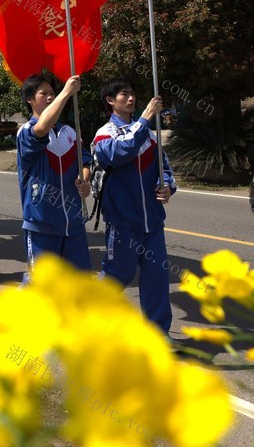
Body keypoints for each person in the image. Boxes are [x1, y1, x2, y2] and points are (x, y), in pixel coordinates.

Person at [92, 77, 176, 334]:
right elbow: (120, 153)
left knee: (157, 279)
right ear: (110, 101)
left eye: (132, 94)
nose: (131, 99)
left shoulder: (149, 136)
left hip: (152, 222)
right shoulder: (105, 134)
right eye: (123, 94)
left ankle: (158, 335)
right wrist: (145, 118)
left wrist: (167, 186)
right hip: (122, 222)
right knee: (117, 276)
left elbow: (164, 168)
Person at [17, 73, 92, 275]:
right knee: (43, 287)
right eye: (44, 93)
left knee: (80, 284)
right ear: (30, 99)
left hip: (73, 221)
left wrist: (84, 178)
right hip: (41, 222)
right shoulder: (26, 131)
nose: (50, 97)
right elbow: (41, 129)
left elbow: (84, 160)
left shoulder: (69, 131)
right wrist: (66, 93)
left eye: (53, 93)